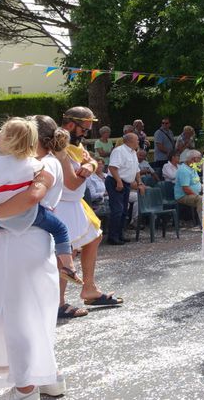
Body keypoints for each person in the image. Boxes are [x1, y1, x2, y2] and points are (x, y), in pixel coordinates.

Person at [0, 118, 70, 400]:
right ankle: (48, 379)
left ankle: (26, 387)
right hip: (35, 241)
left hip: (20, 240)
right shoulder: (39, 162)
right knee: (36, 312)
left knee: (18, 315)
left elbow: (32, 196)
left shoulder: (41, 164)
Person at [0, 118, 80, 287]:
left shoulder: (45, 163)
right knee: (60, 229)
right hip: (28, 227)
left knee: (21, 295)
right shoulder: (33, 163)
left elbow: (33, 195)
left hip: (26, 235)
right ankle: (68, 266)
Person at [57, 108, 121, 318]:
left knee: (94, 238)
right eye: (84, 129)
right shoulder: (59, 147)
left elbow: (89, 160)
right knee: (66, 253)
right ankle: (58, 302)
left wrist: (91, 164)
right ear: (70, 125)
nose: (86, 133)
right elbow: (72, 182)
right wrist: (91, 166)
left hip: (74, 203)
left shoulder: (75, 144)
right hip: (62, 204)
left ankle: (89, 289)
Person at [107, 133, 145, 245]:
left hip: (127, 183)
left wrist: (140, 182)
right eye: (137, 140)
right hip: (115, 181)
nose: (139, 142)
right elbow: (112, 167)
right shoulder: (119, 151)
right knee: (117, 210)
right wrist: (118, 181)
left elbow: (136, 169)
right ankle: (112, 237)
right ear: (130, 141)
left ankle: (120, 234)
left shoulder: (133, 152)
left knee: (124, 211)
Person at [175, 150, 203, 223]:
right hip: (183, 196)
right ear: (193, 159)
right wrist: (197, 194)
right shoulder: (184, 170)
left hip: (193, 193)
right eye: (199, 158)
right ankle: (203, 224)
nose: (200, 160)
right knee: (201, 199)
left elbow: (197, 183)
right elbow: (186, 189)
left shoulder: (192, 167)